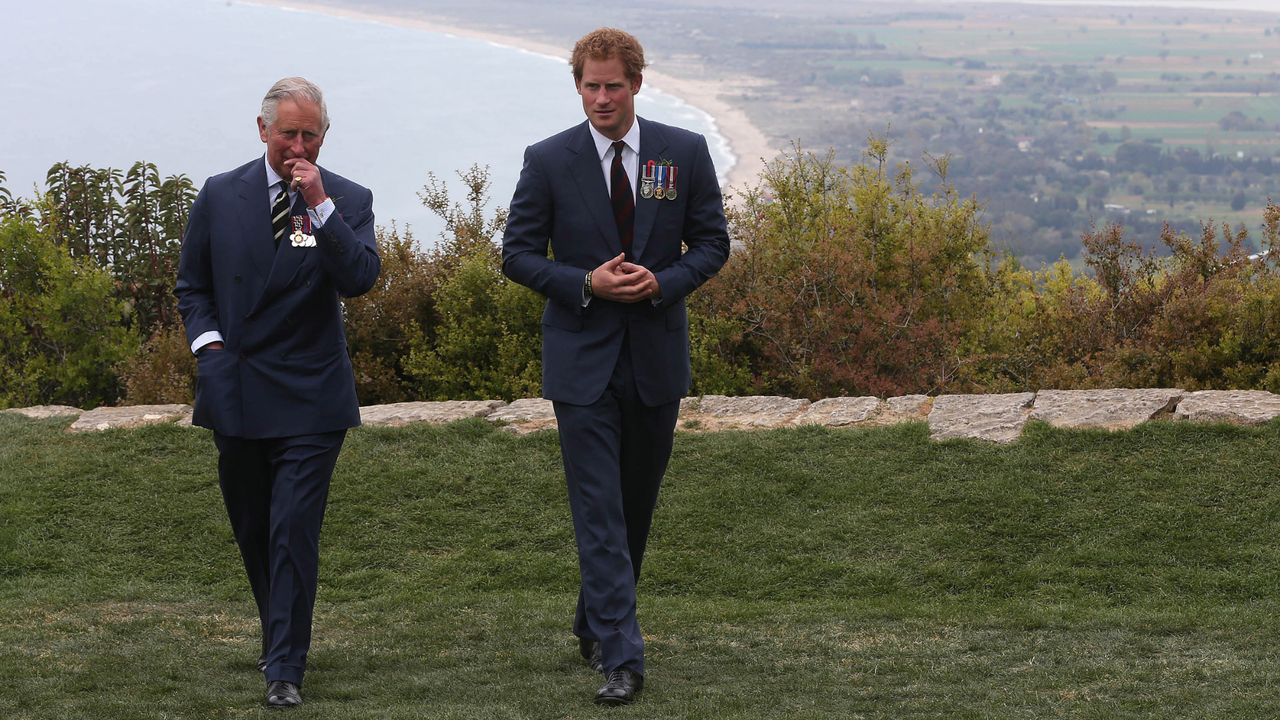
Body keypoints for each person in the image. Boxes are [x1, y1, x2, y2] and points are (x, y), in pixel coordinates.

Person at [501, 28, 731, 707]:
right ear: (577, 85)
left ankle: (593, 622)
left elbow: (713, 241)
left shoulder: (682, 152)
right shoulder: (547, 160)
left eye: (613, 85)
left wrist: (663, 283)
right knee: (598, 509)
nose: (601, 98)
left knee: (632, 509)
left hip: (655, 359)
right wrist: (585, 283)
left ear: (636, 83)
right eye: (590, 86)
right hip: (581, 365)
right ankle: (623, 657)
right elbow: (516, 254)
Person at [174, 77, 380, 708]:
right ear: (262, 129)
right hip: (235, 386)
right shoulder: (219, 194)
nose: (297, 144)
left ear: (323, 135)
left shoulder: (346, 197)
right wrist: (208, 349)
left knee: (293, 527)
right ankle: (278, 635)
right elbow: (193, 286)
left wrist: (319, 205)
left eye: (309, 134)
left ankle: (285, 665)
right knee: (255, 527)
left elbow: (359, 277)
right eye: (287, 132)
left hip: (312, 391)